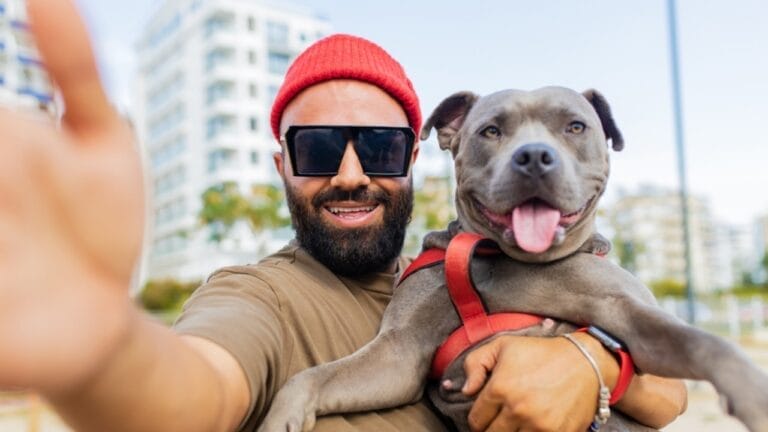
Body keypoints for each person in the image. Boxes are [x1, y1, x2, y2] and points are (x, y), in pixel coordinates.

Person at [0, 1, 686, 431]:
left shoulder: (484, 268)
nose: (351, 174)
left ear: (415, 162)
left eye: (381, 148)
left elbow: (671, 399)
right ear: (282, 168)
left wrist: (588, 365)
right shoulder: (261, 298)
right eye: (320, 147)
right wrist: (104, 355)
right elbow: (191, 393)